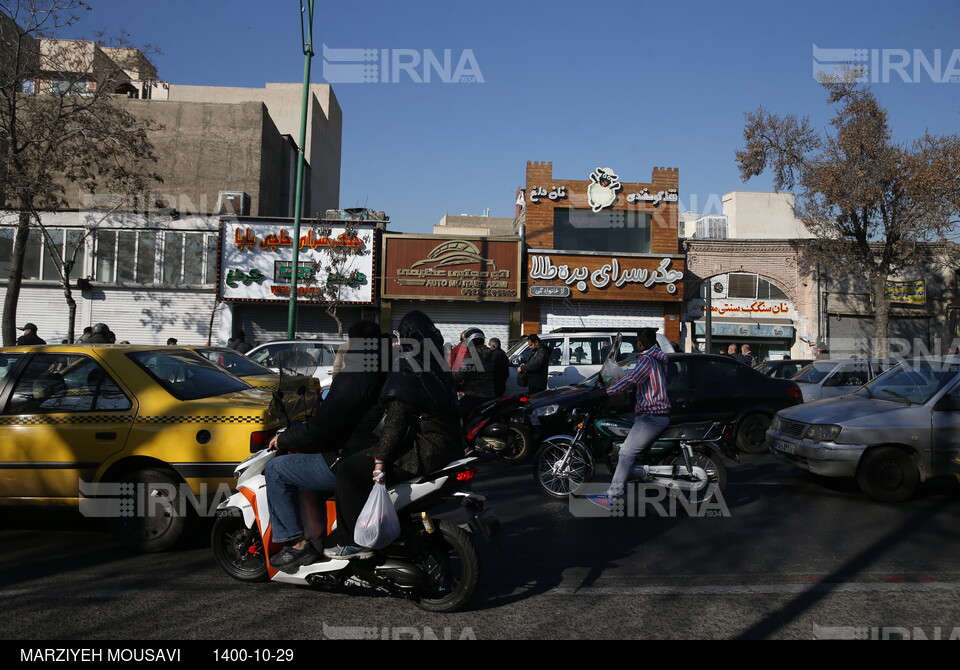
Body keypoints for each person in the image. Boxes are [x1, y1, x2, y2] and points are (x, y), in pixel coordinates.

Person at [325, 310, 463, 559]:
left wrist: (380, 460)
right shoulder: (438, 365)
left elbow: (397, 422)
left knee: (348, 470)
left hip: (425, 450)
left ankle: (352, 542)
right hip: (449, 446)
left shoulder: (409, 367)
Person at [264, 320, 386, 571]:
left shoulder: (354, 377)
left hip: (348, 456)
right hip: (373, 451)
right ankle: (318, 537)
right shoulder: (385, 369)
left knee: (277, 469)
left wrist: (286, 438)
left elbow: (323, 427)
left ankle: (297, 545)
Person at [602, 328, 671, 501]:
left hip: (651, 416)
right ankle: (629, 473)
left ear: (640, 343)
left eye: (636, 342)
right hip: (651, 413)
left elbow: (631, 379)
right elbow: (636, 380)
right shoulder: (658, 358)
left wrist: (608, 391)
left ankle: (614, 494)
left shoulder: (647, 360)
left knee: (626, 452)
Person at [455, 327, 495, 417]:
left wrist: (447, 380)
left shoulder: (471, 358)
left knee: (454, 414)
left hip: (475, 395)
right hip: (490, 394)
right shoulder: (491, 355)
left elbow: (458, 376)